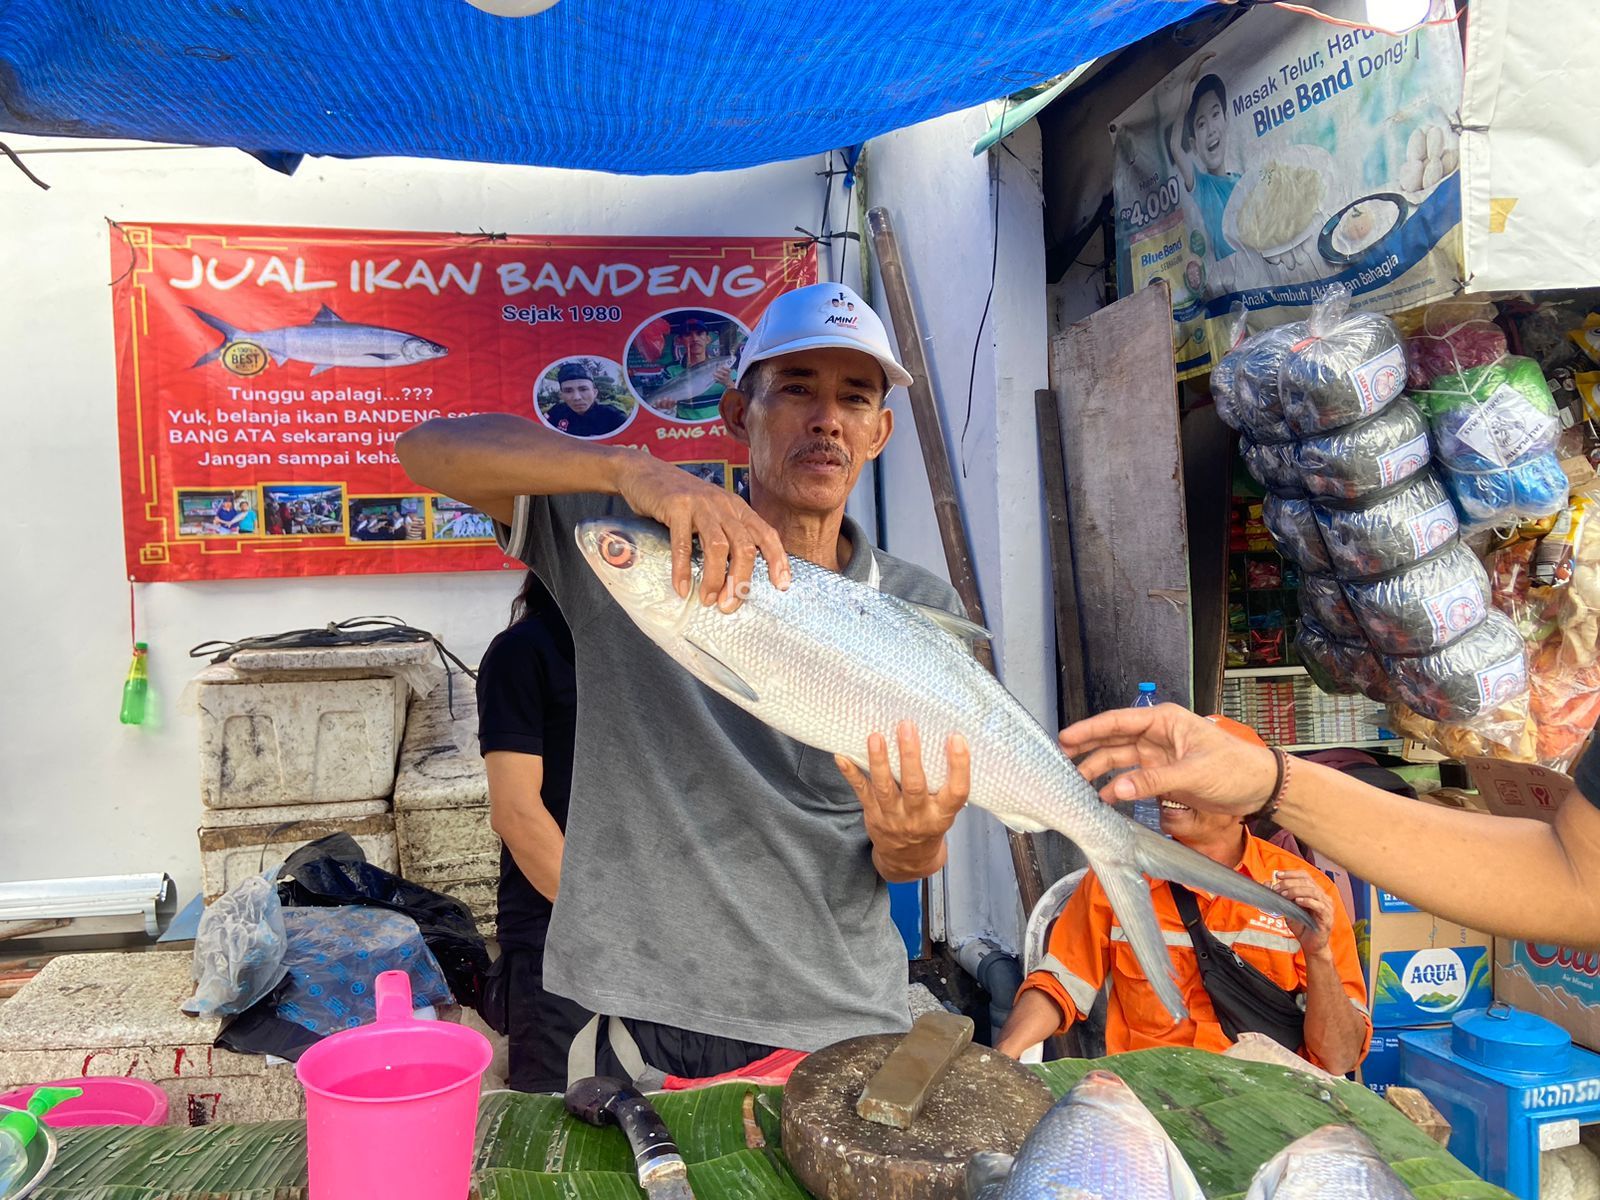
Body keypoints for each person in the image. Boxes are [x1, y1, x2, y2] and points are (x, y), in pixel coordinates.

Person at [397, 281, 966, 1087]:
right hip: (639, 1014)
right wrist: (630, 471)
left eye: (854, 397)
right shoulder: (637, 549)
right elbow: (429, 450)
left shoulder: (919, 610)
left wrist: (915, 842)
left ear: (879, 431)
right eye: (796, 387)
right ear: (738, 416)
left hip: (839, 1018)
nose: (826, 418)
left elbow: (907, 858)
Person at [1061, 704, 1600, 952]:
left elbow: (1340, 1051)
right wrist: (1267, 780)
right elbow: (1577, 879)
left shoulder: (1302, 887)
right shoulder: (1111, 884)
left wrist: (1315, 954)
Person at [995, 717, 1370, 1074]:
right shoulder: (1117, 874)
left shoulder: (1307, 893)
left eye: (1195, 778)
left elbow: (1339, 1059)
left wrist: (1318, 953)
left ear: (1243, 802)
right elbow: (1059, 985)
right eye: (1169, 772)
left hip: (1264, 1114)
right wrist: (1001, 1059)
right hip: (1148, 1109)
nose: (1168, 789)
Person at [476, 570, 592, 1091]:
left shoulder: (645, 656)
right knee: (559, 1122)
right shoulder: (523, 652)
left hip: (650, 941)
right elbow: (517, 813)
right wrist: (602, 925)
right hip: (557, 937)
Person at [1168, 66, 1239, 263]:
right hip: (1232, 282)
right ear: (1194, 145)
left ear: (1226, 118)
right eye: (1201, 124)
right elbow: (1175, 146)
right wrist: (1186, 87)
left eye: (1215, 114)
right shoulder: (1202, 186)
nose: (1210, 131)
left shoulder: (1244, 182)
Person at [543, 362, 626, 438]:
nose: (577, 397)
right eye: (568, 391)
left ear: (594, 392)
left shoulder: (613, 417)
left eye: (583, 389)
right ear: (561, 395)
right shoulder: (555, 414)